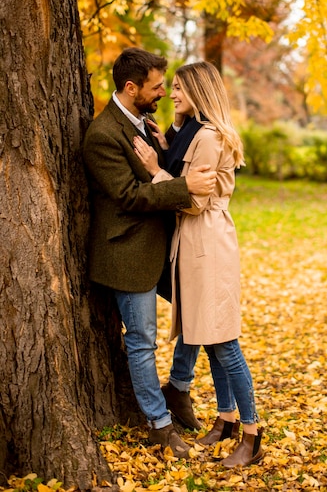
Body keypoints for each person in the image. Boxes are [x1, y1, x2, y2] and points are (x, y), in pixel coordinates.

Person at [82, 47, 217, 458]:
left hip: (164, 247)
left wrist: (172, 133)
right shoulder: (102, 135)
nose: (162, 92)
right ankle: (159, 426)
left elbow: (161, 160)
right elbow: (128, 195)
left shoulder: (145, 122)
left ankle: (178, 388)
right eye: (157, 86)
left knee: (196, 309)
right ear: (130, 87)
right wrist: (185, 187)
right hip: (128, 253)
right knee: (142, 342)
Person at [133, 61, 264, 468]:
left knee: (224, 343)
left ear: (198, 91)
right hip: (197, 243)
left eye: (177, 88)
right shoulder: (197, 132)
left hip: (205, 242)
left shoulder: (208, 137)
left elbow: (193, 199)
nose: (171, 93)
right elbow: (184, 169)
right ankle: (225, 421)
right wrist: (169, 139)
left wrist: (156, 170)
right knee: (208, 336)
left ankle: (252, 434)